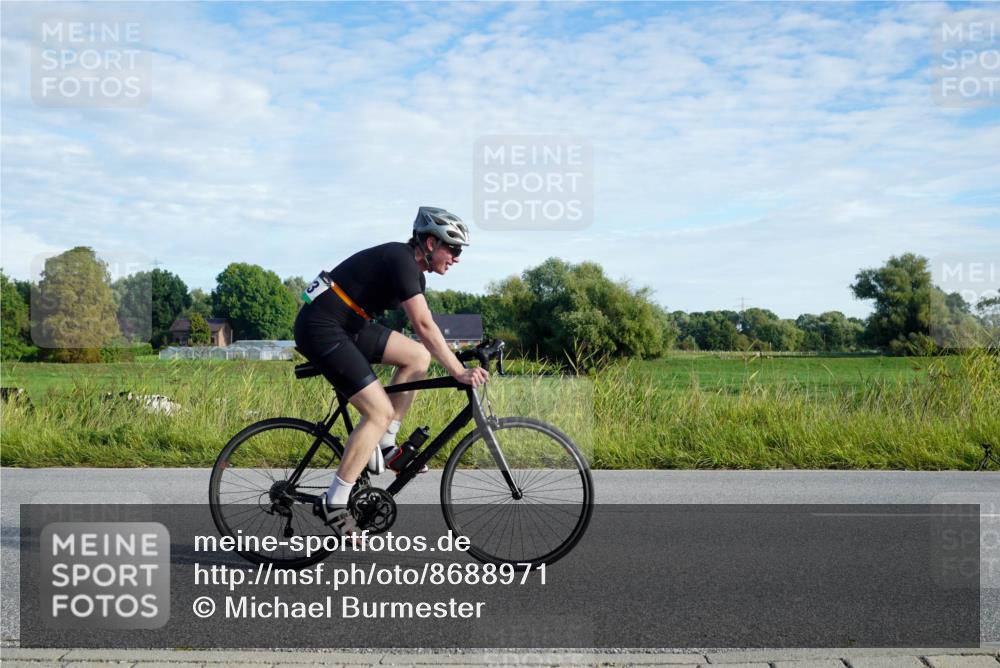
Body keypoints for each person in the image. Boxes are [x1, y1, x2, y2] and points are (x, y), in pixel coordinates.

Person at [293, 206, 489, 536]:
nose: (456, 258)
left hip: (349, 323)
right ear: (429, 243)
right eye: (452, 248)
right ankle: (335, 501)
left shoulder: (413, 271)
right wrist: (458, 371)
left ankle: (384, 445)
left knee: (417, 357)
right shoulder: (401, 260)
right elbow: (423, 324)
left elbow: (425, 335)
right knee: (378, 411)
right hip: (322, 326)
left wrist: (462, 354)